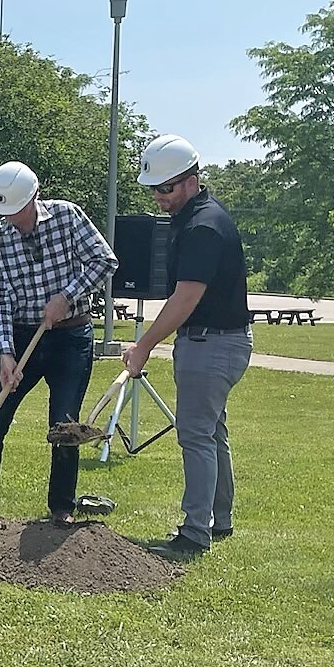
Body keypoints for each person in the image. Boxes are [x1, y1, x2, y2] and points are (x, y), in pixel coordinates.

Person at [121, 135, 252, 558]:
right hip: (217, 341)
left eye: (166, 188)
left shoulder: (202, 226)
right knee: (212, 432)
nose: (159, 197)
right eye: (155, 189)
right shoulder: (195, 218)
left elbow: (186, 297)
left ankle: (195, 534)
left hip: (210, 343)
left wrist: (143, 345)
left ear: (192, 181)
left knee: (195, 435)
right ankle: (220, 519)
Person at [0, 162, 117, 526]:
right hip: (21, 337)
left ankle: (61, 508)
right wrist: (5, 353)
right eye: (3, 212)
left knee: (63, 425)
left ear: (34, 196)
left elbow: (105, 261)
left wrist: (66, 297)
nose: (11, 219)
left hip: (71, 336)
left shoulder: (68, 217)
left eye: (16, 210)